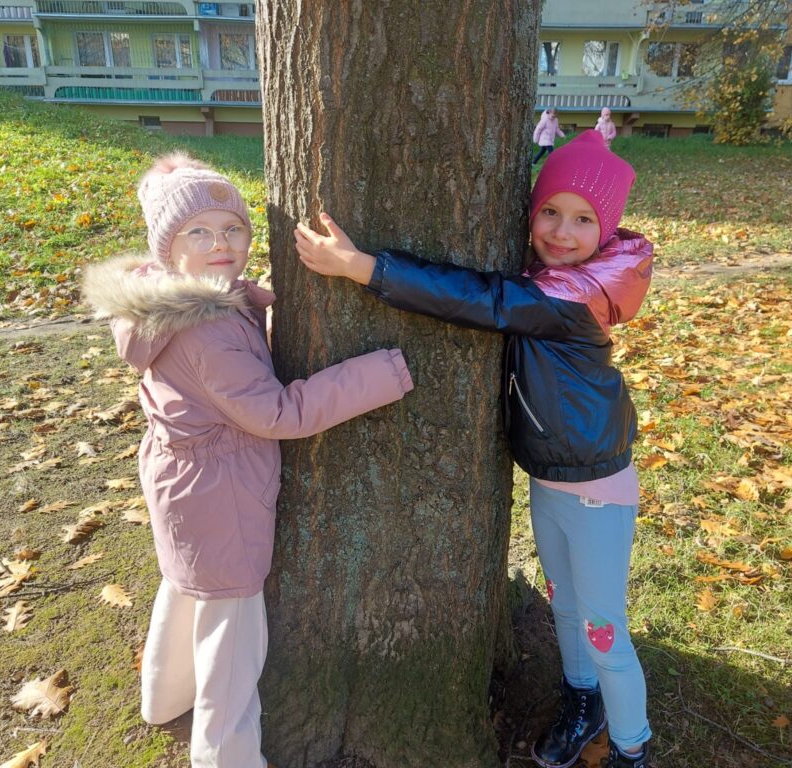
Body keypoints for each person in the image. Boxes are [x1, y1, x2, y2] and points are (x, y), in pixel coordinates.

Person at [293, 129, 655, 768]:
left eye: (582, 220)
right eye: (550, 211)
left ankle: (631, 748)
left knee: (603, 629)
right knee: (564, 604)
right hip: (552, 475)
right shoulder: (554, 279)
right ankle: (582, 702)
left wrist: (364, 267)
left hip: (597, 488)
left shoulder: (569, 297)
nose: (561, 231)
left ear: (606, 233)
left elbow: (482, 300)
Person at [82, 153, 414, 768]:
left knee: (188, 590)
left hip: (183, 481)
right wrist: (379, 373)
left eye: (232, 228)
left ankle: (162, 696)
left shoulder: (170, 308)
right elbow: (277, 414)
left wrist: (250, 299)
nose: (221, 244)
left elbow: (224, 318)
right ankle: (225, 756)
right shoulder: (205, 331)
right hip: (220, 491)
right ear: (167, 249)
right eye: (199, 233)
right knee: (233, 634)